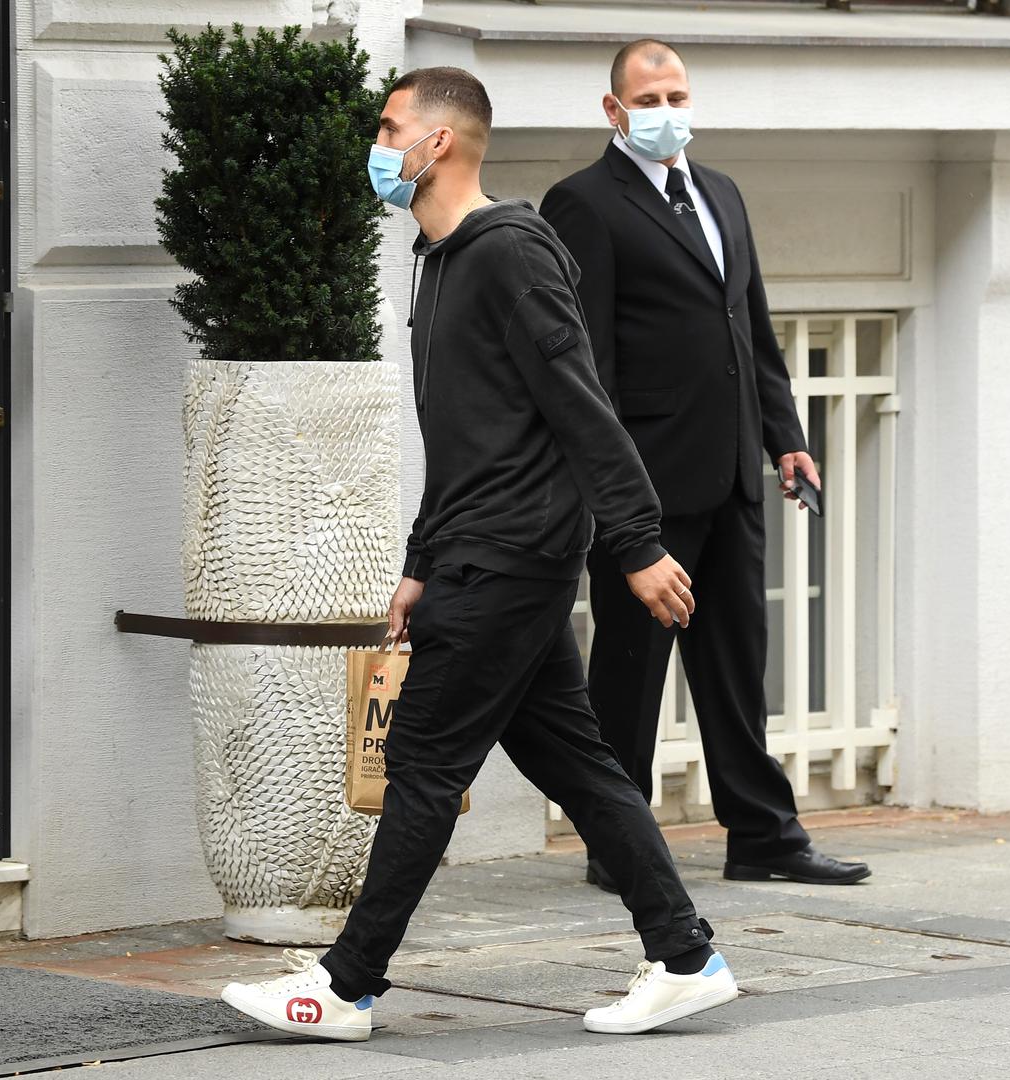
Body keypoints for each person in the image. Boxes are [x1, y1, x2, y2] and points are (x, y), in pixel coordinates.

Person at [220, 66, 739, 1043]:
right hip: (478, 550)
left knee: (421, 763)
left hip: (507, 556)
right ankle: (684, 956)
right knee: (578, 763)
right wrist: (419, 561)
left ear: (440, 142)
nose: (378, 147)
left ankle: (346, 986)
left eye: (389, 128)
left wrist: (636, 540)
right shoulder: (442, 259)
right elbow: (465, 439)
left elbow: (579, 402)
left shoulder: (510, 252)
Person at [539, 40, 870, 890]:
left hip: (730, 475)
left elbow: (749, 328)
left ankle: (762, 836)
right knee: (630, 667)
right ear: (613, 110)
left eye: (676, 96)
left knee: (734, 663)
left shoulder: (720, 191)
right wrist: (612, 494)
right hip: (645, 486)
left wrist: (784, 437)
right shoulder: (582, 203)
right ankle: (617, 844)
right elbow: (587, 364)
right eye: (648, 100)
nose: (666, 112)